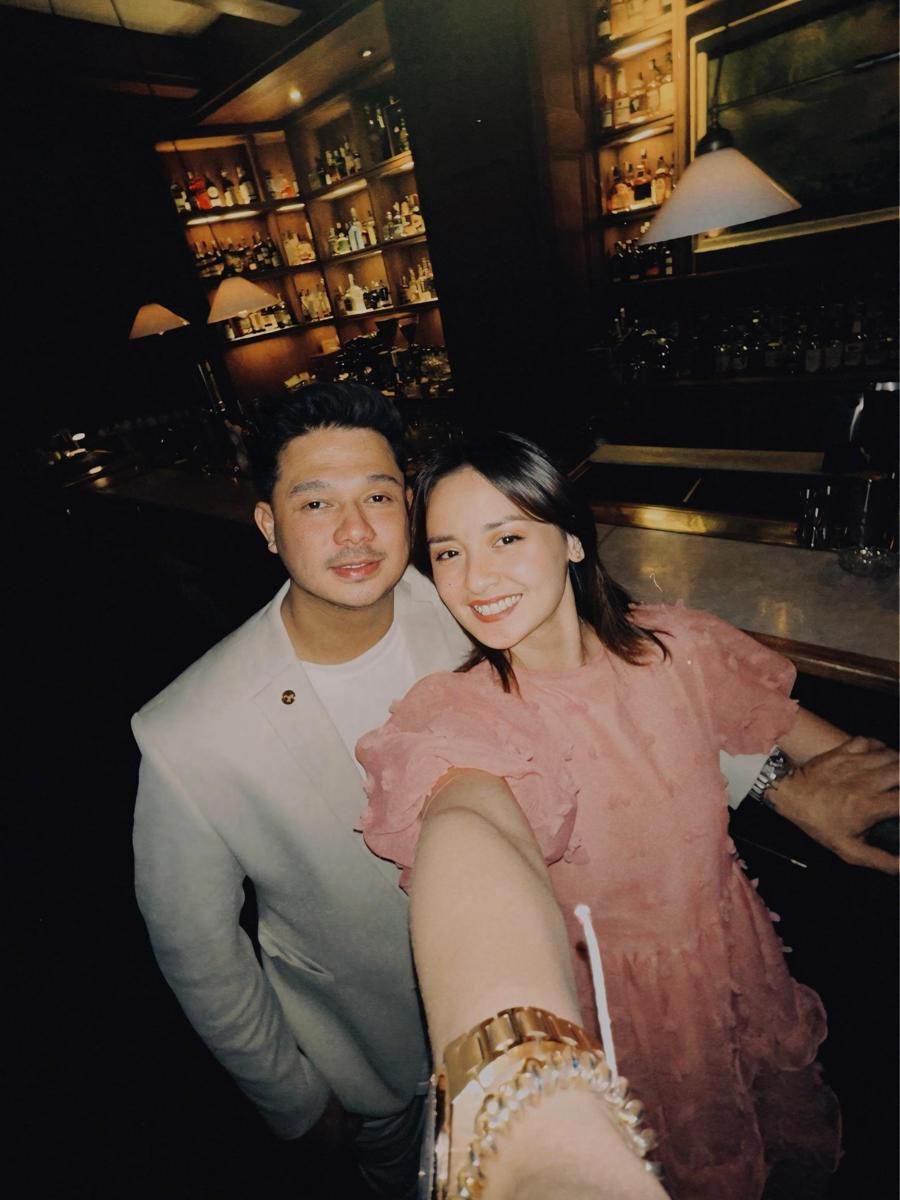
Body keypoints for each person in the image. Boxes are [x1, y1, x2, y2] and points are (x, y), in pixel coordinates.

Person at [133, 385, 894, 1198]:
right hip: (374, 1061)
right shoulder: (189, 729)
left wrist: (785, 787)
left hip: (596, 995)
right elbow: (197, 948)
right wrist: (292, 1102)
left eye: (378, 497)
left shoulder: (475, 605)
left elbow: (630, 709)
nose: (354, 531)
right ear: (267, 522)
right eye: (316, 502)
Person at [357, 430, 898, 1199]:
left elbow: (844, 761)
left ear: (573, 540)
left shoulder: (681, 648)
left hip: (729, 958)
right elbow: (465, 841)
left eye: (506, 537)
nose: (475, 578)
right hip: (614, 1016)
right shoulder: (463, 720)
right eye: (448, 552)